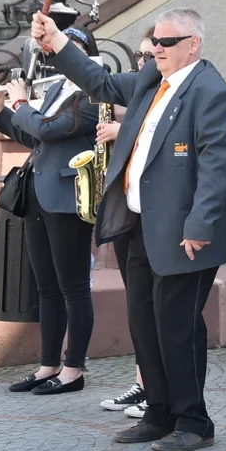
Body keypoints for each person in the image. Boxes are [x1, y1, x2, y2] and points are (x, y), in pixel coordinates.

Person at [32, 8, 226, 451]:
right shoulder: (153, 79)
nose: (157, 50)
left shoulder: (211, 92)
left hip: (185, 232)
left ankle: (194, 420)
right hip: (140, 224)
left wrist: (201, 223)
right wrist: (57, 42)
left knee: (177, 326)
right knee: (143, 322)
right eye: (155, 43)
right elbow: (101, 84)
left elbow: (219, 167)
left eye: (167, 43)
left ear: (194, 44)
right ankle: (159, 412)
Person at [0, 26, 100, 397]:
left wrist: (21, 104)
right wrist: (3, 112)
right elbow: (35, 137)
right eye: (51, 48)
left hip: (69, 198)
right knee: (47, 287)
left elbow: (52, 130)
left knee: (74, 288)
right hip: (38, 192)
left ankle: (73, 370)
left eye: (60, 47)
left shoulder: (93, 93)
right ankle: (47, 365)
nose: (53, 53)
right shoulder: (57, 89)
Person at [99, 26, 155, 415]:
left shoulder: (175, 91)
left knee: (153, 308)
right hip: (126, 207)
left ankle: (155, 389)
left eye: (149, 56)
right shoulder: (137, 86)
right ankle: (142, 381)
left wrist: (124, 130)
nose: (143, 63)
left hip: (154, 215)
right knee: (136, 304)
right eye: (139, 56)